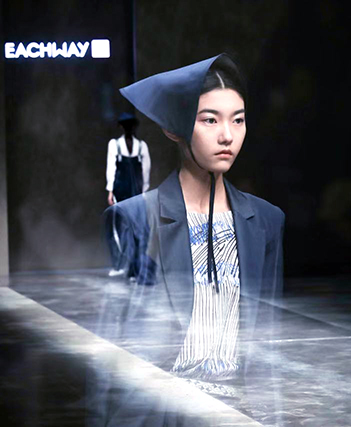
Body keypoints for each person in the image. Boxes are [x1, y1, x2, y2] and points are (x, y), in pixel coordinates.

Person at [92, 53, 284, 425]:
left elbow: (267, 344)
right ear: (174, 129)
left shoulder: (266, 221)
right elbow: (114, 355)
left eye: (238, 120)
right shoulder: (133, 219)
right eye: (210, 120)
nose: (227, 135)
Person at [104, 113, 151, 276]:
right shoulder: (116, 145)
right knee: (122, 227)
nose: (128, 128)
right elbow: (111, 168)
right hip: (123, 190)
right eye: (126, 125)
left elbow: (145, 170)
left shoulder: (141, 146)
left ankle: (131, 268)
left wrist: (143, 191)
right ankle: (121, 265)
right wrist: (111, 190)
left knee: (131, 229)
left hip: (133, 190)